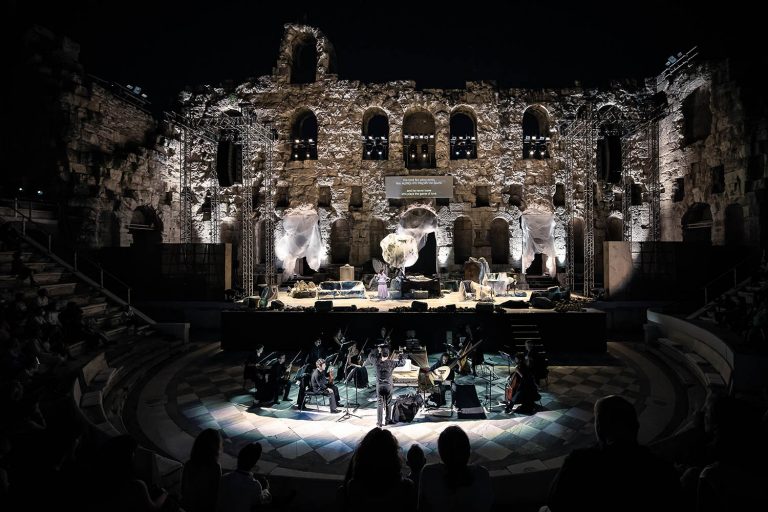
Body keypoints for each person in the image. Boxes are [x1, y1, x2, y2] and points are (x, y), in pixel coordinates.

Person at [545, 395, 682, 512]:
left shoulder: (579, 463)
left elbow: (554, 501)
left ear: (599, 428)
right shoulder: (663, 469)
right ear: (636, 426)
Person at [418, 426, 493, 512]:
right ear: (468, 450)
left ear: (441, 453)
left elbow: (422, 508)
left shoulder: (429, 474)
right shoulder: (482, 475)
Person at [216, 443, 271, 512]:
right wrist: (266, 489)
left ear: (239, 458)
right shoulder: (255, 486)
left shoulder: (224, 479)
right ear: (254, 463)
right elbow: (262, 500)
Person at [181, 428, 222, 512]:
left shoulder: (189, 464)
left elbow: (183, 490)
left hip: (189, 506)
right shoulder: (215, 467)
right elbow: (216, 493)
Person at [367, 346, 406, 426]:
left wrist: (375, 351)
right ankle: (388, 420)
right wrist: (401, 355)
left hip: (379, 386)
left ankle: (379, 422)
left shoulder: (376, 361)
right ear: (389, 354)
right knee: (388, 403)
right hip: (388, 386)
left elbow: (370, 356)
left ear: (381, 354)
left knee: (379, 404)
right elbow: (402, 362)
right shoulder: (391, 363)